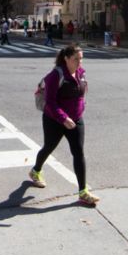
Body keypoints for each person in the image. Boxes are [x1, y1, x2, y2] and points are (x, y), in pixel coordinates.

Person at [27, 45, 94, 207]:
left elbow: (80, 94)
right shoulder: (55, 76)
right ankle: (35, 171)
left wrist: (80, 109)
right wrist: (63, 118)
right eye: (75, 59)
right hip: (54, 120)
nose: (79, 62)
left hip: (76, 119)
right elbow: (50, 102)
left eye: (81, 58)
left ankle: (83, 192)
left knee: (78, 152)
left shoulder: (80, 73)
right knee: (49, 147)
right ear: (66, 58)